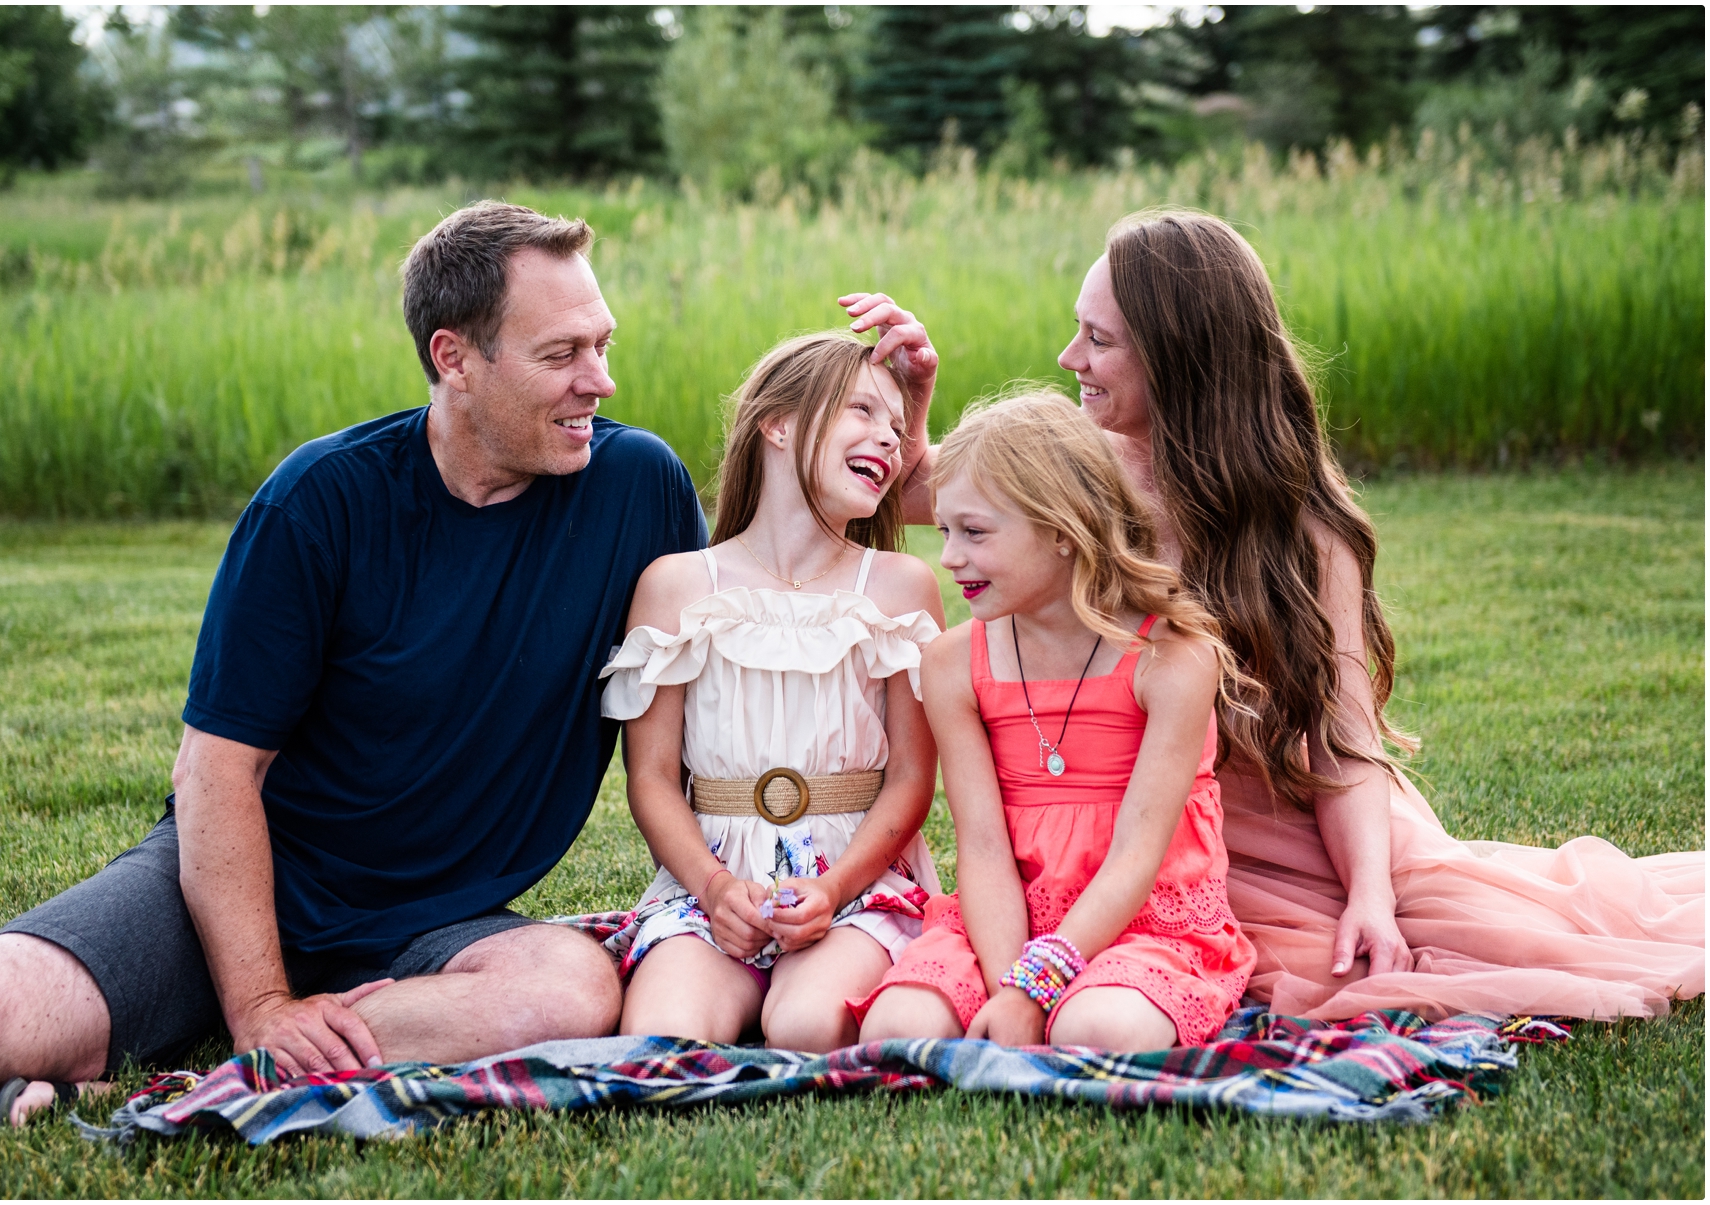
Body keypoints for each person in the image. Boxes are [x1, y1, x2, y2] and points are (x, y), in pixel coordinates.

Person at [0, 201, 708, 1127]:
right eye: (561, 354)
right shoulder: (318, 503)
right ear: (454, 358)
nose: (600, 381)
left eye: (602, 344)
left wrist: (895, 412)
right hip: (242, 883)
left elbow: (783, 583)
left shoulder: (636, 487)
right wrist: (258, 1001)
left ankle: (189, 1063)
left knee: (570, 989)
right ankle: (234, 1034)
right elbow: (216, 769)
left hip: (433, 928)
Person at [848, 208, 1703, 1023]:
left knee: (1417, 940)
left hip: (1284, 821)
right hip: (1126, 819)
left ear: (1178, 359)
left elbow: (1344, 735)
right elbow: (937, 499)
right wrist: (916, 394)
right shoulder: (1085, 475)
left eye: (1099, 339)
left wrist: (1369, 890)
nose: (1068, 355)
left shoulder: (1302, 526)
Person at [853, 393, 1255, 1049]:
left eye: (975, 532)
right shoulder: (953, 664)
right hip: (1006, 915)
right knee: (898, 1029)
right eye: (945, 531)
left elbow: (1137, 855)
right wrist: (1010, 978)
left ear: (1062, 530)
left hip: (1145, 917)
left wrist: (1034, 987)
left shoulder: (1172, 660)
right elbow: (982, 847)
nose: (950, 557)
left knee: (1093, 1027)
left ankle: (1077, 999)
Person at [601, 331, 946, 1052]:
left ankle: (811, 973)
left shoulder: (896, 586)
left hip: (856, 877)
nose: (888, 439)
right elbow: (655, 779)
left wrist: (834, 888)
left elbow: (913, 777)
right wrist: (717, 890)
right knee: (663, 1033)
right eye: (862, 411)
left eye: (896, 425)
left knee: (806, 1024)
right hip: (714, 881)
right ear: (778, 422)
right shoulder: (677, 585)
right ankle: (724, 956)